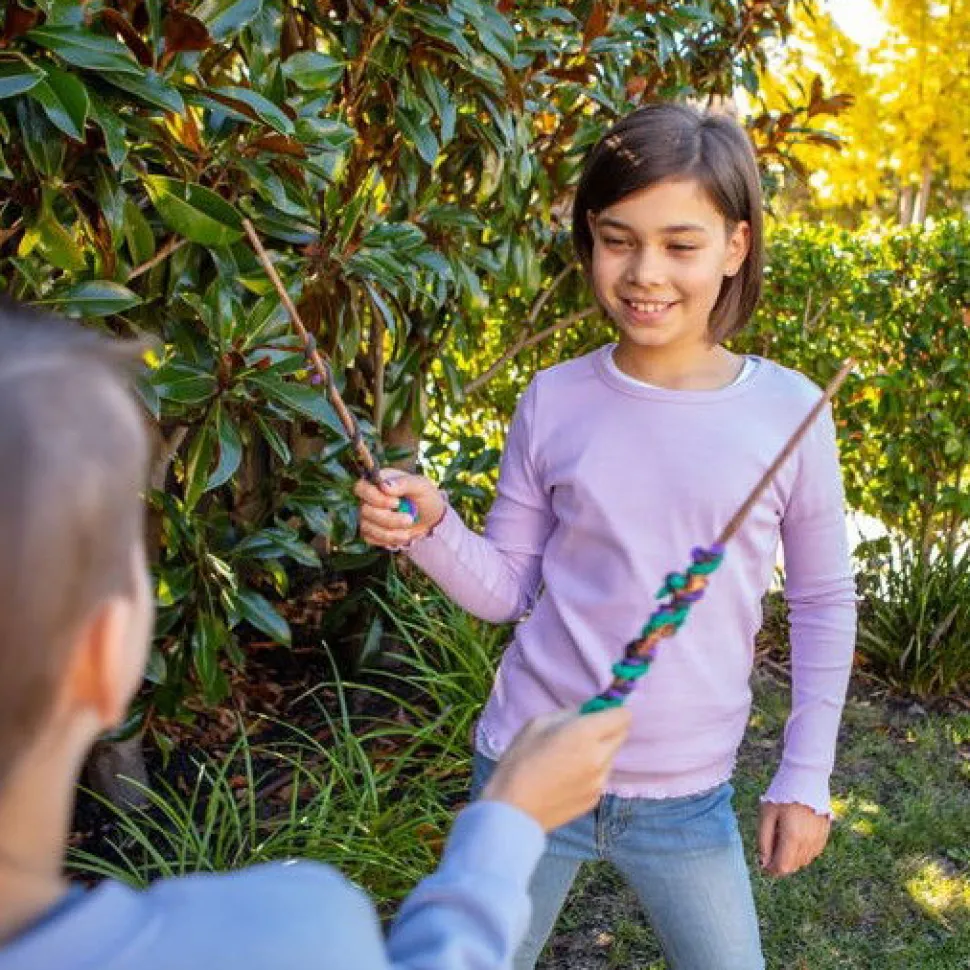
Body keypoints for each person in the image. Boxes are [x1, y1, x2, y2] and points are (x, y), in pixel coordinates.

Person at [355, 103, 857, 970]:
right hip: (528, 771)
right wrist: (430, 530)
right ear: (590, 238)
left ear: (736, 246)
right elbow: (509, 589)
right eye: (618, 239)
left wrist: (805, 775)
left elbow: (821, 601)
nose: (644, 271)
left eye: (680, 243)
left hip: (686, 798)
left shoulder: (789, 413)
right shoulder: (554, 399)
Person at [0, 299, 632, 970]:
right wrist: (509, 820)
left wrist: (437, 530)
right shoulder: (291, 934)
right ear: (103, 654)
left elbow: (507, 591)